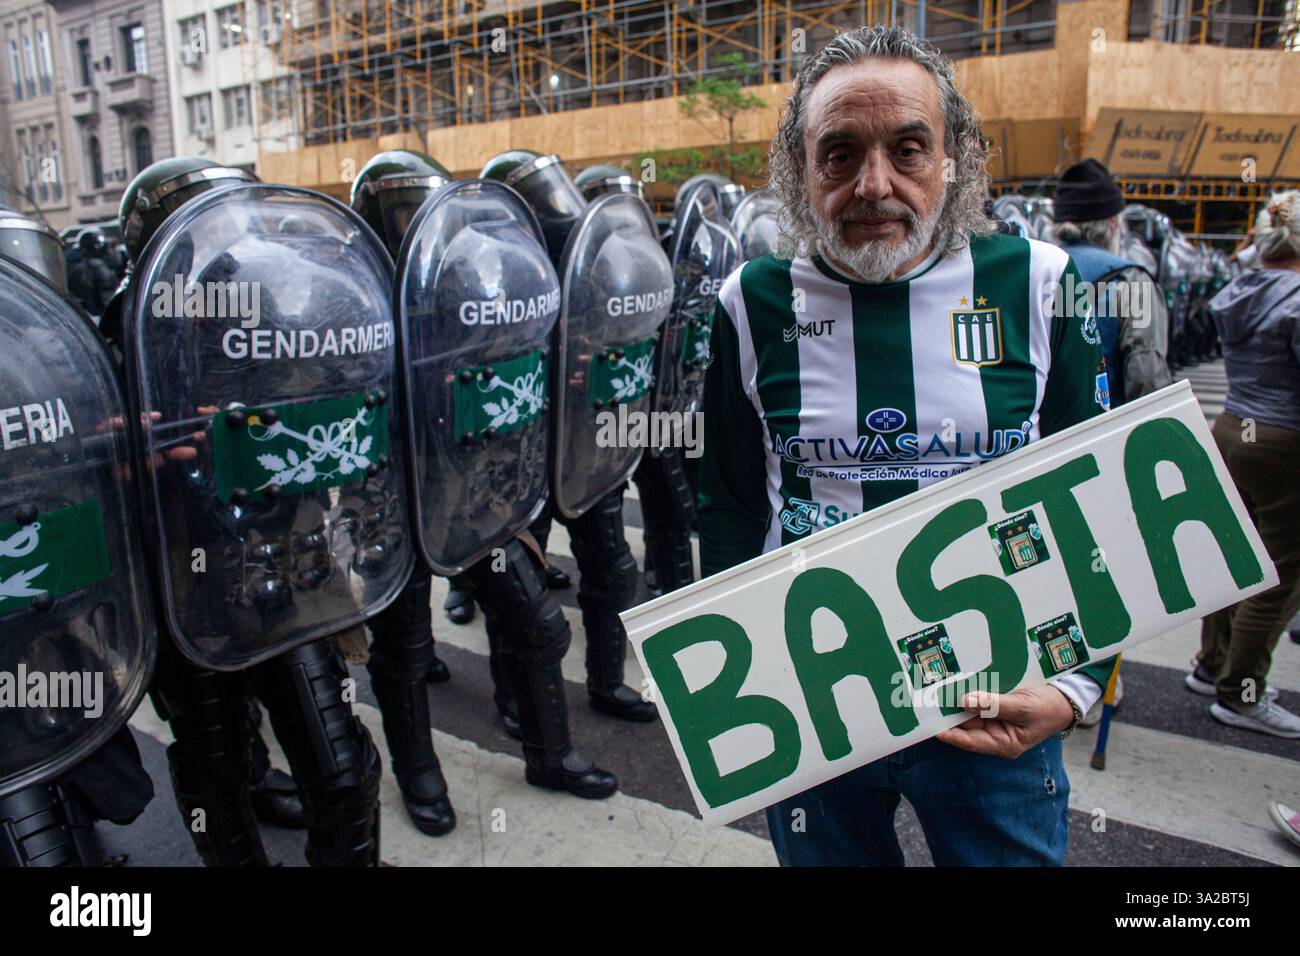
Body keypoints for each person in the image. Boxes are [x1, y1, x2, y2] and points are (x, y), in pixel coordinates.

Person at [698, 24, 1118, 866]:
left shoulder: (1039, 284)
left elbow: (1099, 493)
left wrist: (1076, 689)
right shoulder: (752, 302)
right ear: (800, 168)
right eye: (840, 153)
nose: (874, 185)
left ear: (954, 158)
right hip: (818, 697)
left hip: (1002, 696)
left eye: (909, 149)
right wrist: (734, 686)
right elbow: (731, 505)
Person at [1185, 190, 1300, 739]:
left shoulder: (1241, 287)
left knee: (1235, 555)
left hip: (1232, 426)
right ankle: (1241, 690)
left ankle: (1212, 666)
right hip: (1285, 440)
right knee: (1276, 577)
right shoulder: (1297, 297)